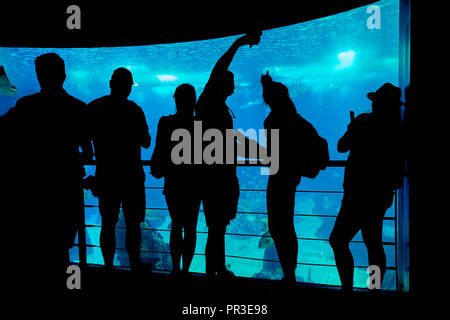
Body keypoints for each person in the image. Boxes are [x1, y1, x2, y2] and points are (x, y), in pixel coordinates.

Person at [0, 52, 93, 292]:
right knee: (61, 248)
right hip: (65, 189)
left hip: (32, 190)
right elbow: (88, 153)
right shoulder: (79, 108)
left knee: (33, 247)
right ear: (63, 76)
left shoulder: (25, 106)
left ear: (38, 76)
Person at [195, 32, 261, 279]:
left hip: (221, 173)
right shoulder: (209, 100)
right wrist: (238, 43)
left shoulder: (216, 104)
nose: (234, 83)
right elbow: (219, 68)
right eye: (230, 80)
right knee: (216, 227)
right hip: (215, 176)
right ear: (221, 84)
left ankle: (216, 269)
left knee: (218, 227)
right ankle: (214, 271)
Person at [329, 83, 404, 293]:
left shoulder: (362, 121)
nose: (373, 105)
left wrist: (352, 131)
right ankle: (374, 290)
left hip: (356, 194)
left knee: (337, 240)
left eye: (376, 102)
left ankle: (347, 289)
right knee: (374, 245)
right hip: (379, 196)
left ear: (378, 103)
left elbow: (341, 146)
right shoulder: (398, 130)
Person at [261, 71, 322, 284]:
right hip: (283, 174)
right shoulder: (290, 114)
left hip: (281, 175)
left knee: (280, 226)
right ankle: (289, 272)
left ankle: (289, 274)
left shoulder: (280, 117)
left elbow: (275, 150)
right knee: (282, 225)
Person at [88, 67, 150, 271]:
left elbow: (82, 137)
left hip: (106, 174)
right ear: (129, 88)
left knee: (107, 224)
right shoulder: (135, 110)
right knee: (133, 225)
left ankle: (108, 268)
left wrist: (89, 153)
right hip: (132, 176)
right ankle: (133, 266)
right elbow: (147, 142)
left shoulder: (95, 107)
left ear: (110, 83)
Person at [150, 84, 201, 278]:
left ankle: (176, 270)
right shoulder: (201, 124)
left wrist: (158, 169)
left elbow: (158, 151)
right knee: (191, 228)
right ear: (194, 101)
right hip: (195, 184)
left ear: (175, 100)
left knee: (176, 225)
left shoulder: (166, 122)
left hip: (173, 183)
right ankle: (186, 271)